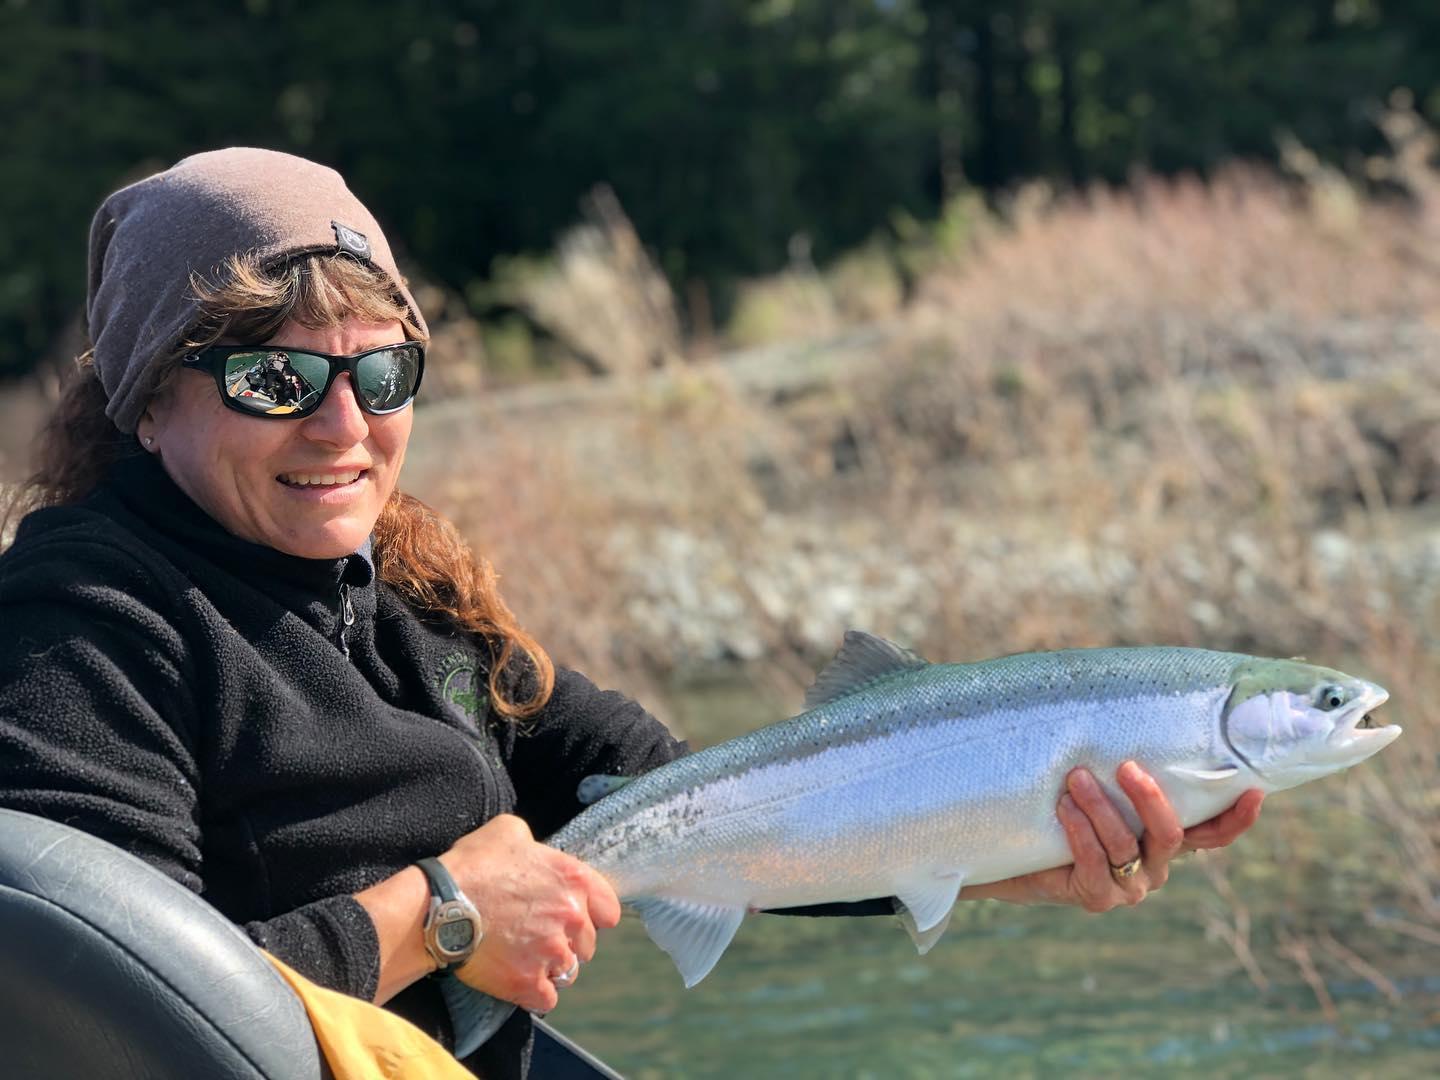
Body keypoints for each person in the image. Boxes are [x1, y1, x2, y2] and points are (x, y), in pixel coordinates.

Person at [0, 149, 1264, 1079]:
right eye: (274, 378)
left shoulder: (410, 598)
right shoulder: (82, 626)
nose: (344, 426)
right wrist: (442, 915)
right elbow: (90, 1008)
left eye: (381, 370)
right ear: (149, 403)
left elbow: (685, 800)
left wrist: (997, 851)